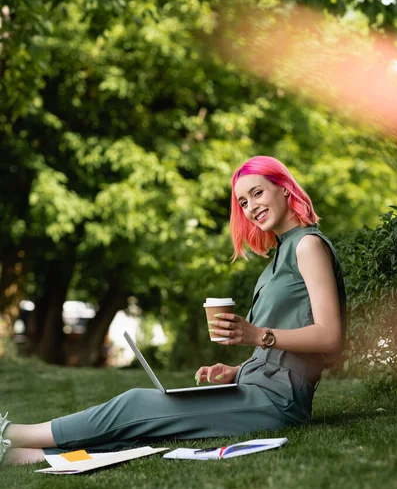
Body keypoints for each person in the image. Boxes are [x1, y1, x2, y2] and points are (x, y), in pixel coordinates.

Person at [0, 156, 346, 466]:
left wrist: (255, 335)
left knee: (137, 405)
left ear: (285, 189)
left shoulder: (308, 246)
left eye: (257, 193)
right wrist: (238, 370)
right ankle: (33, 456)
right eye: (243, 202)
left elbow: (330, 338)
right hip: (253, 389)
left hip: (276, 403)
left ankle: (16, 433)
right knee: (151, 424)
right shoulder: (280, 254)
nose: (251, 207)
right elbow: (283, 351)